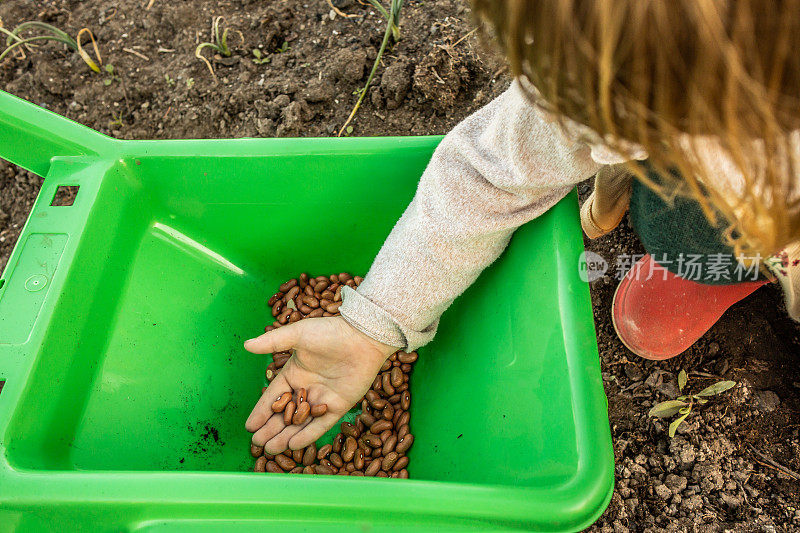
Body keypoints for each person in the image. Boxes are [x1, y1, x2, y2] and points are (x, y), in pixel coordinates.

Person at [245, 0, 800, 454]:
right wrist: (374, 323)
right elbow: (489, 178)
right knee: (683, 230)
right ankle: (719, 267)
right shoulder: (611, 49)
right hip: (723, 211)